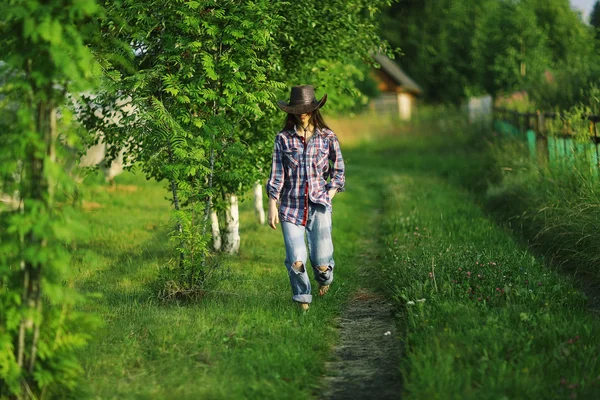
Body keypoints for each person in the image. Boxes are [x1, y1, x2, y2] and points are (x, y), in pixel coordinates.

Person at [266, 85, 345, 311]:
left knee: (321, 264)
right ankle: (303, 302)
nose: (302, 112)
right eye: (297, 109)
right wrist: (273, 202)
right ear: (291, 111)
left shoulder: (327, 137)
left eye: (307, 108)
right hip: (290, 207)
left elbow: (338, 171)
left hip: (319, 206)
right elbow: (277, 173)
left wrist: (328, 195)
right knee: (296, 260)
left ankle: (324, 279)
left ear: (314, 109)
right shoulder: (282, 139)